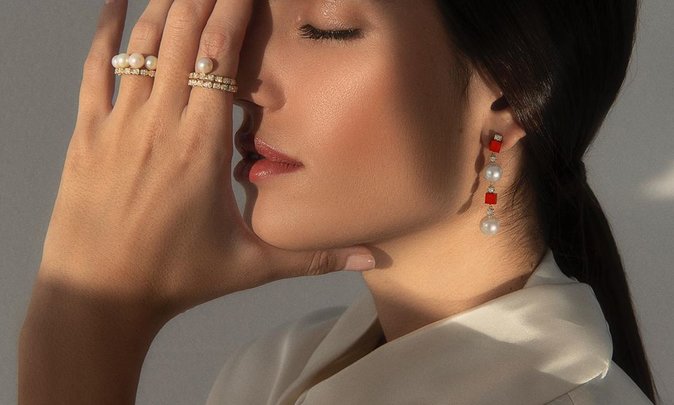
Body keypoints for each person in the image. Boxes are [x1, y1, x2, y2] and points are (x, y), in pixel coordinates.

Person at [17, 0, 661, 404]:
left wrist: (85, 321)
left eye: (324, 30)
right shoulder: (271, 371)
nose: (238, 83)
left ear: (509, 93)